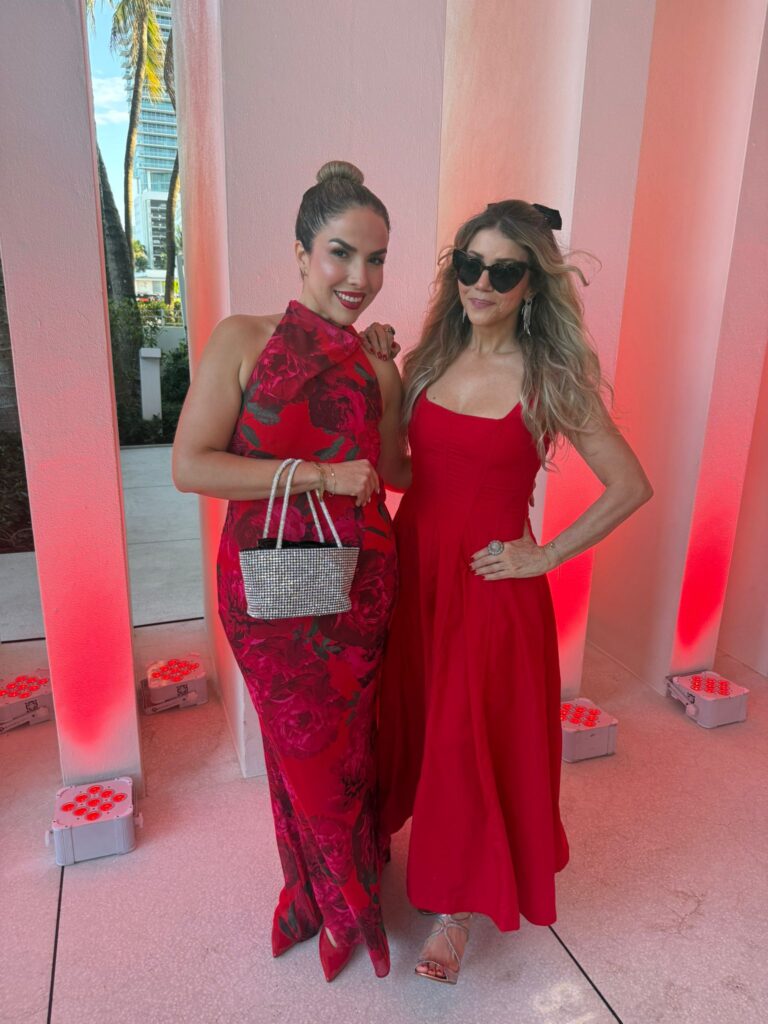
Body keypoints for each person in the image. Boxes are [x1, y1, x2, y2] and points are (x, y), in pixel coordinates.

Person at [374, 199, 653, 984]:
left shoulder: (547, 377)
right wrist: (382, 379)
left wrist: (547, 554)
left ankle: (457, 907)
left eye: (504, 272)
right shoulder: (427, 360)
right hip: (416, 571)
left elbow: (630, 484)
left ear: (532, 284)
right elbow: (400, 473)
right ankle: (398, 846)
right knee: (415, 717)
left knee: (466, 739)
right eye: (470, 265)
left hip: (490, 584)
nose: (482, 284)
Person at [172, 161, 406, 982]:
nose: (360, 277)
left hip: (360, 586)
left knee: (349, 749)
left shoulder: (375, 362)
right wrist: (317, 474)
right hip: (265, 589)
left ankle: (340, 889)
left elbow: (396, 469)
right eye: (342, 252)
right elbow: (191, 465)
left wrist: (402, 380)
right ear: (303, 252)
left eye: (376, 259)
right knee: (297, 748)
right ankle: (328, 901)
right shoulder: (243, 338)